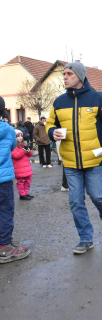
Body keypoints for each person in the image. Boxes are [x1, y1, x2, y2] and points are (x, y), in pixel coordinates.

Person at [46, 62, 102, 254]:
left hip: (95, 159)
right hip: (70, 162)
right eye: (64, 74)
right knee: (76, 202)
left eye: (69, 74)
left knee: (97, 195)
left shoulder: (97, 98)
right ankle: (86, 238)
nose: (65, 77)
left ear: (79, 76)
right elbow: (50, 124)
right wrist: (52, 132)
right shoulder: (59, 102)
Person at [0, 96, 31, 263]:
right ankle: (4, 247)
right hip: (2, 178)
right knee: (5, 210)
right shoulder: (7, 129)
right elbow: (12, 147)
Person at [11, 130, 34, 200]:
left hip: (26, 167)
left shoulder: (23, 145)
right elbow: (16, 155)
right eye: (18, 136)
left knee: (28, 180)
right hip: (18, 167)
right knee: (20, 182)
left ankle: (26, 193)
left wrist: (29, 150)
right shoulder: (13, 146)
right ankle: (22, 194)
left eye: (21, 136)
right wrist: (24, 150)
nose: (20, 138)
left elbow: (29, 154)